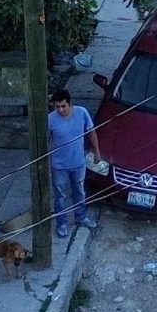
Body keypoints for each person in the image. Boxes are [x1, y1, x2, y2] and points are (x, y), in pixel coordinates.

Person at [45, 88, 100, 241]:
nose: (61, 110)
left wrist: (97, 152)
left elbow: (91, 132)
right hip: (59, 165)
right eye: (57, 107)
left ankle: (81, 217)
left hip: (78, 162)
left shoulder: (82, 113)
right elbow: (45, 140)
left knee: (80, 192)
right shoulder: (50, 119)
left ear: (70, 104)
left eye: (63, 106)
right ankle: (61, 223)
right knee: (60, 196)